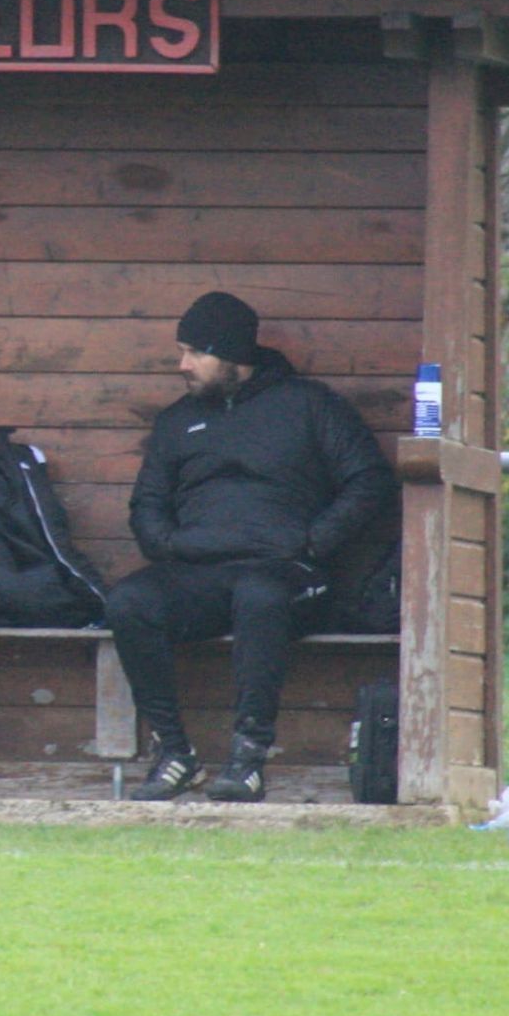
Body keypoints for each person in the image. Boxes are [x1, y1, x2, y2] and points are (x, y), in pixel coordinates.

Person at [106, 291, 396, 803]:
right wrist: (168, 545)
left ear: (233, 355)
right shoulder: (178, 421)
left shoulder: (310, 406)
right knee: (130, 601)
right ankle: (175, 754)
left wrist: (314, 541)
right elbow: (146, 504)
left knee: (259, 595)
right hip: (200, 573)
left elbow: (369, 481)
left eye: (195, 352)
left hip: (288, 575)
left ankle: (248, 758)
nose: (183, 365)